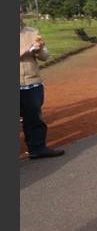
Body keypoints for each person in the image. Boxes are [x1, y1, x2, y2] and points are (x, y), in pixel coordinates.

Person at [20, 10, 64, 159]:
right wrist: (27, 48)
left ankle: (37, 148)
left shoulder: (32, 32)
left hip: (32, 83)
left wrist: (39, 50)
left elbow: (45, 56)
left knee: (34, 118)